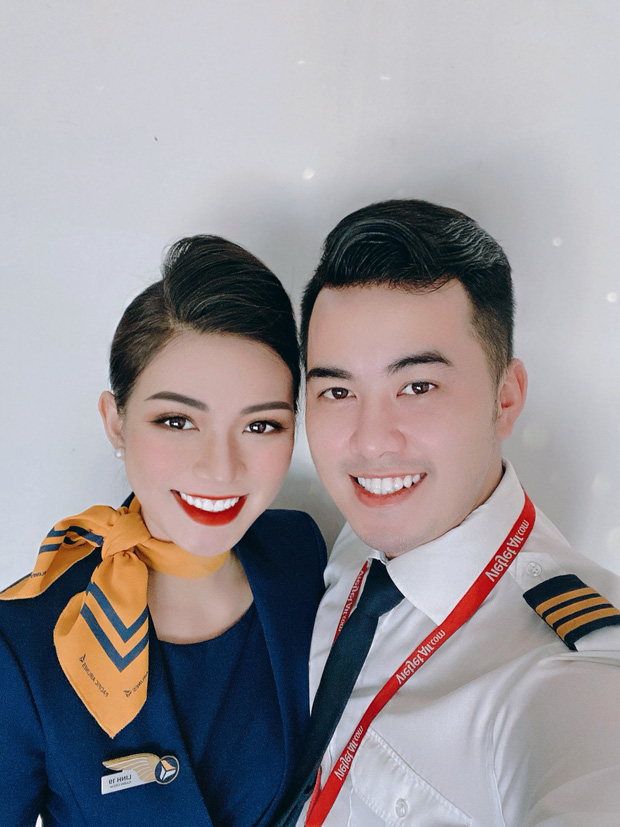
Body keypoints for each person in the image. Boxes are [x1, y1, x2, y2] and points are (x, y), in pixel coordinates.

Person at [277, 200, 620, 826]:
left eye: (417, 387)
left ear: (505, 399)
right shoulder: (352, 544)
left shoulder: (570, 669)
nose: (370, 442)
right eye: (338, 391)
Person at [0, 235, 326, 826]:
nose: (221, 469)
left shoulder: (303, 555)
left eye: (261, 426)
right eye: (176, 421)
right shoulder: (20, 640)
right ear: (115, 422)